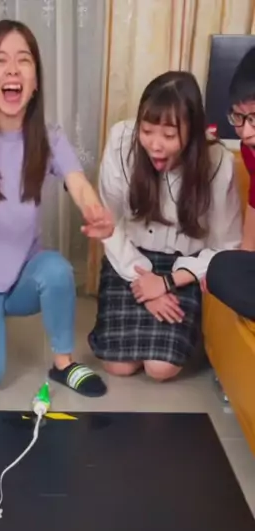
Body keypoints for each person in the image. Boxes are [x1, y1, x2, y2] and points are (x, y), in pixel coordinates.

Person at [0, 19, 114, 397]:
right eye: (0, 60)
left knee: (57, 270)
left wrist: (95, 211)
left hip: (22, 280)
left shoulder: (49, 138)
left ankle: (63, 363)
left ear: (35, 82)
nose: (13, 70)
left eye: (24, 60)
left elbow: (78, 184)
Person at [88, 71, 242, 380]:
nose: (155, 146)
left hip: (184, 266)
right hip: (129, 259)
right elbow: (110, 223)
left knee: (160, 369)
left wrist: (168, 282)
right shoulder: (121, 142)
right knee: (118, 367)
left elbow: (226, 246)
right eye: (147, 131)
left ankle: (185, 335)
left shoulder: (217, 163)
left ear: (193, 132)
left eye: (169, 137)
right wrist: (145, 283)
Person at [206, 47, 255, 318]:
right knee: (221, 268)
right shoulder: (250, 150)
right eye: (239, 117)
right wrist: (244, 259)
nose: (246, 133)